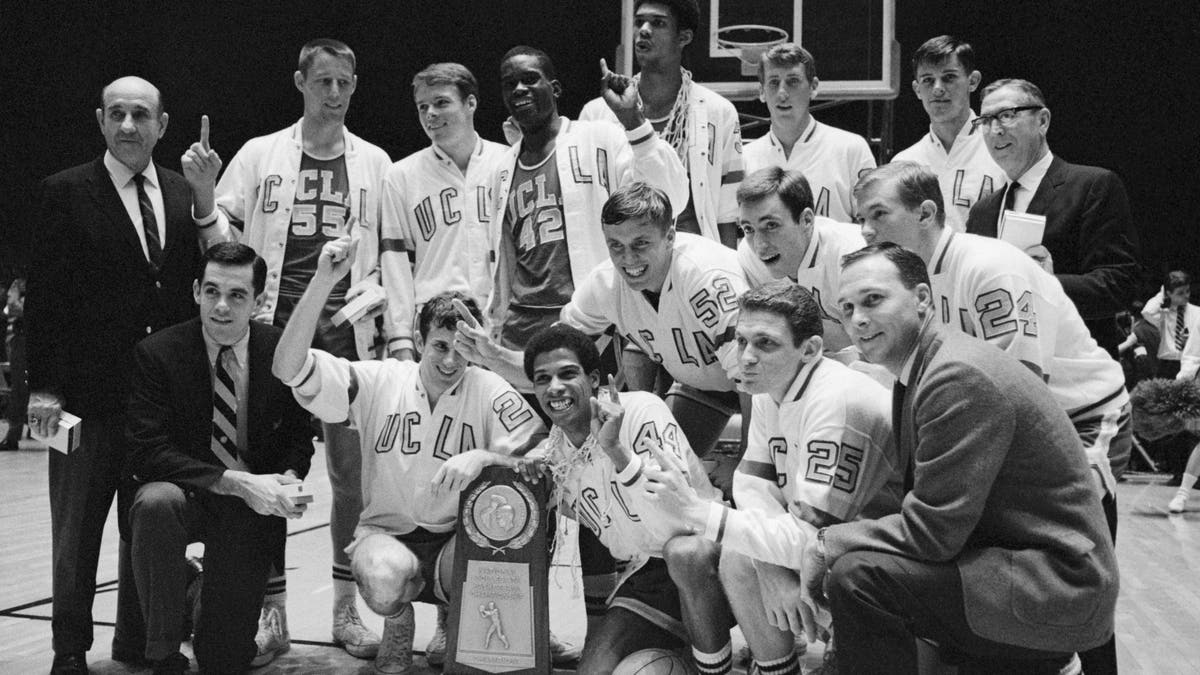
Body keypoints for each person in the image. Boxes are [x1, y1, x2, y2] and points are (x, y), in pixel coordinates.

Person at [795, 243, 1118, 674]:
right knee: (865, 565)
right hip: (1020, 565)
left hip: (1056, 587)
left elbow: (931, 533)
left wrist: (824, 543)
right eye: (847, 307)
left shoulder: (955, 375)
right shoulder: (927, 366)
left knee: (859, 577)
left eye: (873, 299)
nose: (858, 319)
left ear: (923, 299)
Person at [184, 38, 394, 664]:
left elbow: (391, 252)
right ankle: (271, 613)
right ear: (300, 81)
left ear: (355, 86)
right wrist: (200, 191)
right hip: (272, 332)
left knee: (350, 479)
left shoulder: (377, 163)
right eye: (322, 81)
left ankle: (343, 609)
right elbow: (219, 243)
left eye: (344, 83)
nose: (333, 94)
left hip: (349, 339)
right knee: (272, 475)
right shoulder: (258, 154)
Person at [273, 234, 547, 673]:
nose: (451, 360)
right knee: (385, 579)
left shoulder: (488, 386)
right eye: (441, 345)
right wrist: (324, 280)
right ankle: (397, 623)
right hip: (386, 535)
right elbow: (288, 367)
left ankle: (450, 618)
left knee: (510, 532)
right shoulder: (380, 379)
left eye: (462, 348)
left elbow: (541, 456)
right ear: (420, 343)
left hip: (455, 541)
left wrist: (486, 458)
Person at [26, 75, 213, 675]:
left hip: (157, 408)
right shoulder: (64, 192)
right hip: (81, 403)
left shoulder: (186, 195)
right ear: (101, 121)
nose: (128, 125)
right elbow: (45, 301)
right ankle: (68, 651)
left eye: (141, 114)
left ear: (162, 124)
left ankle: (138, 642)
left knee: (149, 530)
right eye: (116, 114)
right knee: (75, 536)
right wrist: (45, 391)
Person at [641, 281, 903, 675]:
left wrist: (698, 511)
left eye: (766, 344)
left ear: (810, 349)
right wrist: (771, 568)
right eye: (741, 340)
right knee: (739, 558)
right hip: (829, 545)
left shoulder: (838, 402)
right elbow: (752, 485)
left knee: (737, 545)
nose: (745, 357)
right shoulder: (771, 388)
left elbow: (816, 541)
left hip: (881, 560)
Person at [854, 162, 1132, 520]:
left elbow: (1021, 387)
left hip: (1082, 417)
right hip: (1010, 420)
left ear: (925, 213)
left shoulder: (989, 267)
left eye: (878, 214)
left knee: (1063, 538)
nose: (866, 231)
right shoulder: (912, 281)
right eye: (860, 218)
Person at [124, 242, 314, 674]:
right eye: (211, 292)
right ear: (195, 291)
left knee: (224, 660)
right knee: (154, 501)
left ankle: (195, 590)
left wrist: (288, 476)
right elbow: (148, 451)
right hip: (185, 491)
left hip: (249, 505)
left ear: (258, 301)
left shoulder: (281, 353)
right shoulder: (158, 353)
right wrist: (230, 480)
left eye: (237, 295)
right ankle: (162, 652)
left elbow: (299, 439)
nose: (222, 307)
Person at [522, 323, 723, 674]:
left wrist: (615, 450)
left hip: (710, 559)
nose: (555, 387)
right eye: (543, 379)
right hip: (646, 577)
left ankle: (714, 669)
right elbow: (517, 473)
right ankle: (681, 653)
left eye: (568, 374)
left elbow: (681, 515)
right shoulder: (555, 453)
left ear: (594, 378)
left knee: (685, 553)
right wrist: (479, 458)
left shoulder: (642, 409)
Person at [486, 45, 687, 356]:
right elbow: (502, 262)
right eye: (509, 83)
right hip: (518, 332)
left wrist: (633, 120)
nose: (519, 89)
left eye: (529, 79)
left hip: (593, 325)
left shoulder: (599, 138)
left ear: (555, 89)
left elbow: (668, 199)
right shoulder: (500, 169)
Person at [559, 182, 747, 459]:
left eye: (641, 243)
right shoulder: (605, 282)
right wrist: (495, 355)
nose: (628, 258)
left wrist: (745, 461)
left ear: (670, 236)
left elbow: (755, 372)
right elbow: (554, 351)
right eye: (616, 246)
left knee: (758, 482)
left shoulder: (703, 277)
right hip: (705, 387)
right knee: (659, 466)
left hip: (771, 383)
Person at [964, 78, 1141, 356]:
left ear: (1042, 121)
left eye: (1007, 115)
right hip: (1001, 375)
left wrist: (1046, 285)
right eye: (985, 120)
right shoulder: (981, 212)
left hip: (1075, 375)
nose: (995, 130)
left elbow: (1120, 284)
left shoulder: (1093, 185)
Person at [579, 0, 745, 247]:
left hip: (693, 262)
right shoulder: (596, 114)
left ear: (684, 36)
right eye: (638, 22)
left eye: (658, 23)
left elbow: (727, 216)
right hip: (623, 265)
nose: (644, 30)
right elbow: (586, 208)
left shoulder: (718, 113)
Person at [379, 63, 506, 354]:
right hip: (434, 326)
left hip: (501, 325)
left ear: (470, 103)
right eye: (423, 106)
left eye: (441, 103)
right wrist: (400, 340)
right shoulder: (400, 176)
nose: (430, 114)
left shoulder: (507, 162)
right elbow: (396, 265)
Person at [736, 166, 865, 353]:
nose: (759, 245)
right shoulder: (748, 258)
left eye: (771, 225)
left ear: (806, 220)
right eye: (748, 229)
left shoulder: (854, 255)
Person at [742, 44, 875, 223]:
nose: (782, 93)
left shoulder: (850, 148)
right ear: (761, 92)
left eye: (793, 81)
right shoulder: (745, 157)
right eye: (773, 82)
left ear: (813, 87)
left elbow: (873, 226)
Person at [892, 36, 1006, 232]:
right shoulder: (903, 163)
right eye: (928, 80)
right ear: (917, 89)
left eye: (949, 77)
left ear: (973, 81)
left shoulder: (1002, 149)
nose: (937, 89)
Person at [1139, 270, 1200, 380]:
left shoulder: (1197, 312)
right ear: (1168, 293)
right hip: (1166, 365)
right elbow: (1147, 312)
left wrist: (1190, 341)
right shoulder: (1163, 314)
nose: (1186, 296)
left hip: (1191, 364)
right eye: (1180, 293)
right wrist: (1161, 294)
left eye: (1188, 291)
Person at [2, 277, 27, 451]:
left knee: (21, 390)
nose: (9, 293)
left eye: (13, 291)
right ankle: (19, 432)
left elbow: (10, 309)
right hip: (17, 345)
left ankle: (13, 435)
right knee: (22, 391)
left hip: (22, 346)